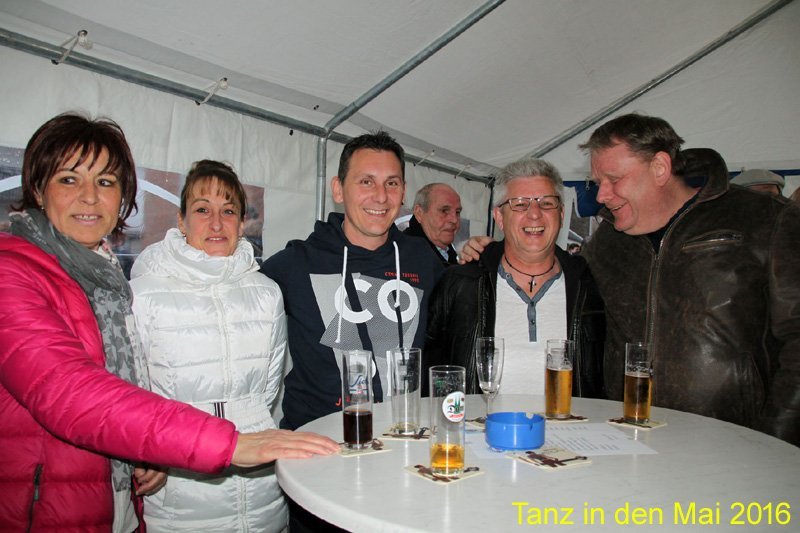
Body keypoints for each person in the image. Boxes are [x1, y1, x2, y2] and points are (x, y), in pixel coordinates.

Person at [0, 113, 339, 532]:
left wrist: (143, 451)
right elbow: (74, 393)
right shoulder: (17, 273)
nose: (89, 197)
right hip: (54, 500)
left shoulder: (103, 281)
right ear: (37, 188)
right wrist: (227, 442)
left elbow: (267, 386)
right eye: (69, 179)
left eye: (105, 181)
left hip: (116, 490)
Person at [579, 113, 800, 445]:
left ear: (660, 168)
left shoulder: (764, 219)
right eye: (598, 182)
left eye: (614, 178)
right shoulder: (607, 241)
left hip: (738, 441)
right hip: (630, 437)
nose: (601, 195)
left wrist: (777, 440)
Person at [130, 161, 288, 531]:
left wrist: (245, 419)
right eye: (203, 210)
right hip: (178, 478)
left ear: (242, 223)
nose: (217, 223)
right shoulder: (145, 295)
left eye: (228, 211)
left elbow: (268, 389)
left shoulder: (267, 294)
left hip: (260, 477)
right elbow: (131, 391)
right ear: (181, 221)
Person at [261, 131, 444, 431]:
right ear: (338, 189)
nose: (381, 196)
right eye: (366, 181)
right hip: (316, 442)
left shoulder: (422, 258)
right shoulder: (297, 263)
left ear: (403, 191)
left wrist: (487, 255)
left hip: (401, 438)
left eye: (392, 183)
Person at [425, 158, 605, 398]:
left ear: (561, 214)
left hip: (569, 423)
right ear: (499, 217)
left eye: (546, 203)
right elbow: (430, 369)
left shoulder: (591, 285)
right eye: (520, 204)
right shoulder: (460, 284)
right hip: (480, 423)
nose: (535, 214)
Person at [403, 182, 462, 266]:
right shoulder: (403, 254)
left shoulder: (455, 256)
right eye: (444, 211)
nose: (454, 220)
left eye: (457, 212)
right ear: (419, 213)